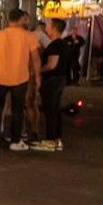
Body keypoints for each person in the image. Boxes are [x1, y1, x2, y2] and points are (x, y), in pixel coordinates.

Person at [0, 9, 40, 150]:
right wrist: (37, 77)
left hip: (0, 77)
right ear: (21, 19)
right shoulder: (29, 36)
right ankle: (15, 141)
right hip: (20, 77)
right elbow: (35, 59)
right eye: (25, 19)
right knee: (17, 110)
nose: (27, 21)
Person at [39, 18, 76, 151]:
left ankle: (50, 139)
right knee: (55, 109)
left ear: (54, 28)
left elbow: (52, 65)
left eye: (49, 26)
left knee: (50, 110)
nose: (47, 28)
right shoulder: (63, 44)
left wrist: (38, 70)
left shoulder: (55, 45)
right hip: (60, 79)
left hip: (52, 80)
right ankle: (57, 139)